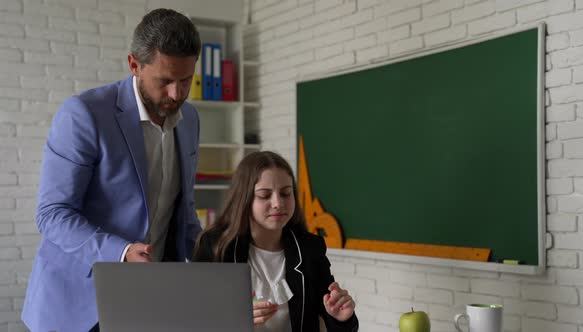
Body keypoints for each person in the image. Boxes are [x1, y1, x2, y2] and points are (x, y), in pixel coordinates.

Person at [21, 8, 202, 332]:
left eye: (186, 80)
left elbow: (183, 214)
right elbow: (52, 213)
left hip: (151, 302)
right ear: (134, 65)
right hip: (77, 307)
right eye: (165, 81)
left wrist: (226, 261)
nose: (177, 94)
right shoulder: (84, 115)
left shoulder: (191, 121)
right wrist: (120, 252)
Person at [193, 151, 359, 332]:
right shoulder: (215, 246)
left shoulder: (310, 248)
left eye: (286, 193)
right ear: (244, 199)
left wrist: (343, 319)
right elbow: (196, 319)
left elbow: (337, 323)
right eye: (265, 195)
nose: (278, 203)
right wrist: (236, 322)